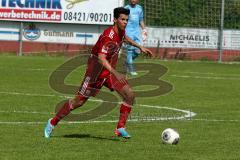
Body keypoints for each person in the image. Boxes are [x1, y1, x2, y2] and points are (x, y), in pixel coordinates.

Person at [44, 7, 152, 139]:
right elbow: (101, 58)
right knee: (78, 102)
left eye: (126, 20)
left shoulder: (121, 31)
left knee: (129, 95)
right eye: (122, 19)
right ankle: (52, 122)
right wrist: (116, 72)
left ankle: (120, 128)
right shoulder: (108, 36)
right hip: (94, 75)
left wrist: (140, 46)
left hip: (109, 74)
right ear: (115, 20)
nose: (125, 22)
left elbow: (125, 38)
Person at [125, 0, 147, 76]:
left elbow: (141, 20)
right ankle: (131, 69)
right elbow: (122, 21)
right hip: (128, 32)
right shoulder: (126, 8)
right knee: (130, 51)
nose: (133, 0)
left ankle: (128, 62)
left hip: (137, 33)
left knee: (138, 50)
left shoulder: (139, 8)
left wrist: (144, 29)